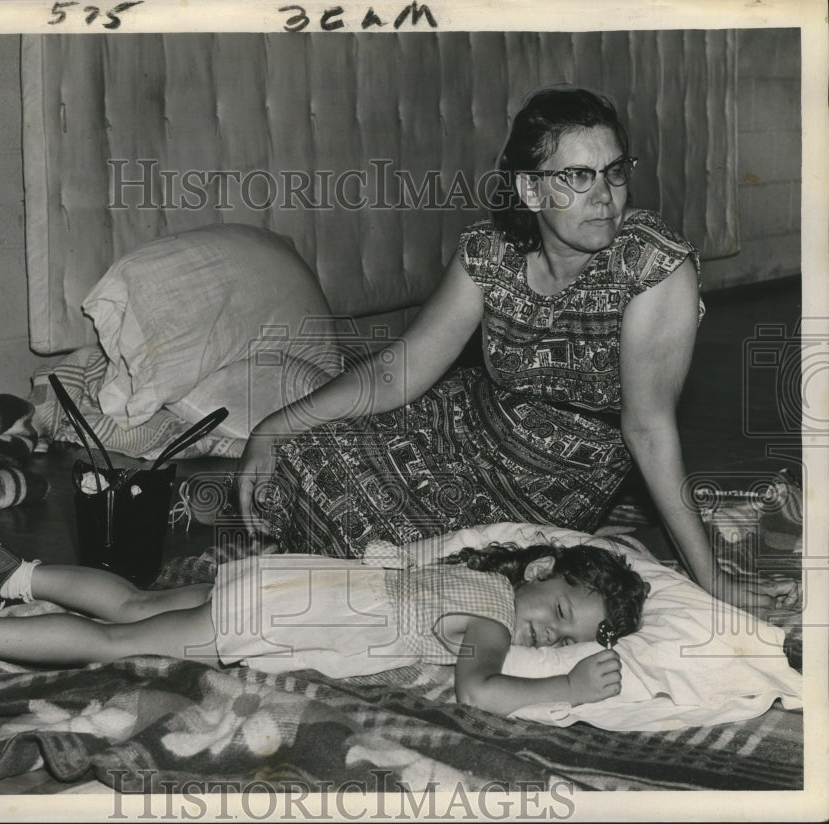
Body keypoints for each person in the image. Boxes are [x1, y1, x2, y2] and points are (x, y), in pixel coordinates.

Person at [235, 85, 786, 615]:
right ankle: (282, 587)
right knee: (299, 456)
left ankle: (296, 592)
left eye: (614, 171)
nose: (603, 195)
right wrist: (275, 426)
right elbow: (399, 371)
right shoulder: (489, 251)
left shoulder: (653, 267)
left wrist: (711, 579)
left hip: (545, 490)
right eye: (576, 176)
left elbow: (647, 428)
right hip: (455, 426)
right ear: (530, 190)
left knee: (412, 560)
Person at [0, 540, 649, 716]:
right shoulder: (492, 619)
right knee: (124, 640)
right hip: (294, 613)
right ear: (540, 574)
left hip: (299, 581)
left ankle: (13, 572)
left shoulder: (480, 573)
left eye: (565, 639)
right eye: (554, 617)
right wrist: (563, 686)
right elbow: (478, 691)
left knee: (141, 604)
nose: (546, 636)